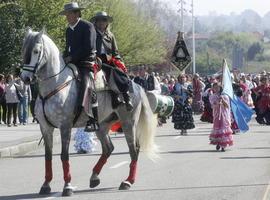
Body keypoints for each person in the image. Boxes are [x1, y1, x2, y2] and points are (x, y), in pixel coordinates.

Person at [60, 2, 99, 132]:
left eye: (69, 13)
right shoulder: (68, 30)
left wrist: (71, 58)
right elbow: (68, 48)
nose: (67, 16)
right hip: (72, 63)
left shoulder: (87, 26)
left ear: (77, 13)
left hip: (86, 62)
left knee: (86, 84)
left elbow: (87, 48)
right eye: (66, 14)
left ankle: (92, 119)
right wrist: (63, 57)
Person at [90, 11, 133, 111]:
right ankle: (114, 97)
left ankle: (127, 97)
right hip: (97, 60)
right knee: (110, 71)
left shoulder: (110, 36)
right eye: (99, 20)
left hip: (109, 59)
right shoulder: (92, 34)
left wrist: (120, 62)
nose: (101, 23)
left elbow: (115, 52)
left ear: (107, 23)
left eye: (104, 20)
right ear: (96, 22)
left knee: (120, 72)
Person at [209, 83, 233, 152]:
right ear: (213, 88)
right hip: (217, 115)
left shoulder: (225, 96)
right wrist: (217, 103)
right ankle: (218, 143)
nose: (216, 89)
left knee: (223, 128)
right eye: (215, 88)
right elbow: (212, 105)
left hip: (224, 115)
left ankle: (223, 145)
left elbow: (227, 106)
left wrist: (223, 100)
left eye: (218, 87)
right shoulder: (212, 96)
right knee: (218, 128)